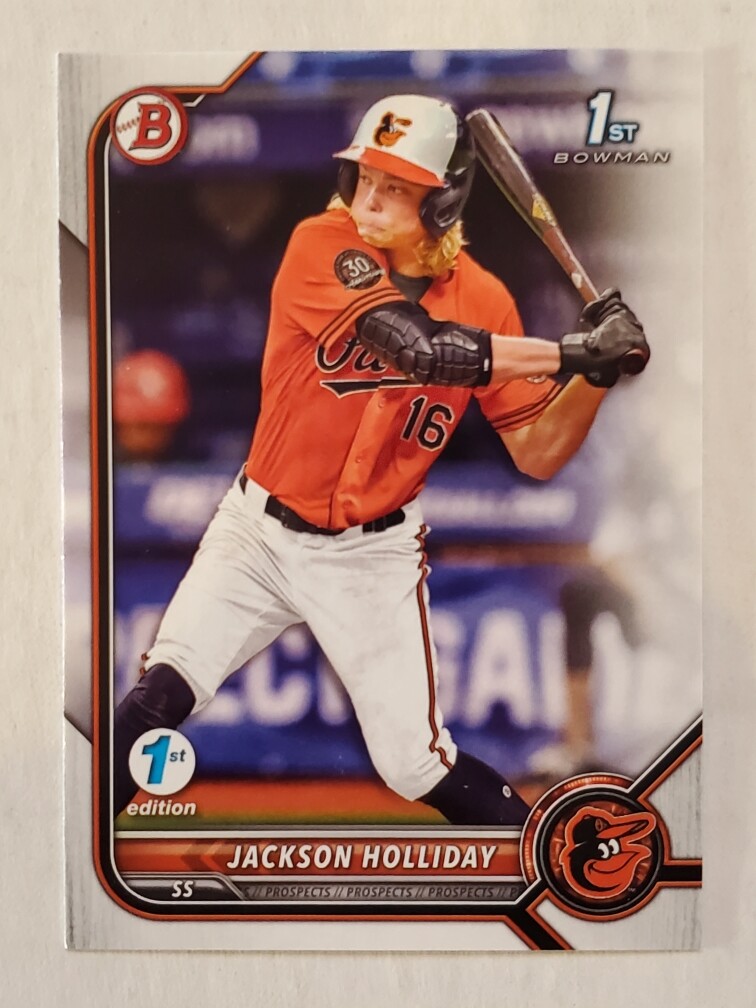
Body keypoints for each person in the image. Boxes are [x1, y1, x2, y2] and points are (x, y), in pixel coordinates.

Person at [112, 94, 649, 825]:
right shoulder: (320, 243)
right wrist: (573, 351)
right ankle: (73, 852)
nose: (368, 197)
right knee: (158, 696)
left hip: (372, 557)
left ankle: (541, 855)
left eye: (395, 186)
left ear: (442, 200)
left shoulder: (486, 300)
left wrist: (597, 375)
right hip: (257, 534)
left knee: (415, 766)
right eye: (364, 176)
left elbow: (538, 452)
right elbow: (418, 346)